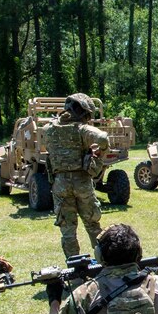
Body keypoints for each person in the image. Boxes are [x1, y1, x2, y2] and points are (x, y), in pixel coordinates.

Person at [43, 93, 109, 259]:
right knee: (93, 225)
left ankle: (75, 269)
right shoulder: (81, 129)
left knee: (68, 232)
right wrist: (99, 156)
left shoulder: (49, 129)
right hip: (82, 182)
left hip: (59, 183)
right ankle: (104, 263)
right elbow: (103, 138)